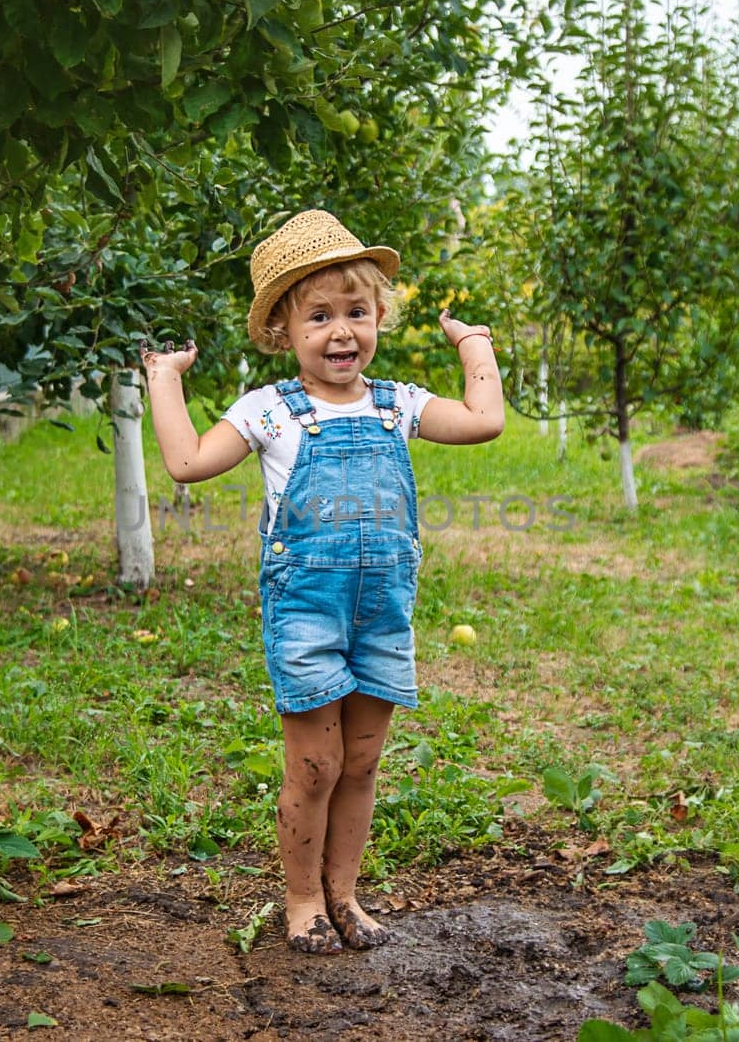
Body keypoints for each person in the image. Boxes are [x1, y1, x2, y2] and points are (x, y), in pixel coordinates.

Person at [142, 209, 504, 953]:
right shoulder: (270, 411)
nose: (342, 331)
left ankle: (346, 895)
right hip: (307, 609)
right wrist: (164, 380)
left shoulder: (396, 404)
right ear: (283, 329)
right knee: (317, 764)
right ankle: (302, 899)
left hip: (381, 610)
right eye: (319, 316)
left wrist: (473, 345)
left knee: (363, 763)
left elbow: (483, 420)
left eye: (357, 313)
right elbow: (186, 463)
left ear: (378, 319)